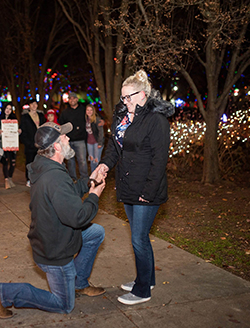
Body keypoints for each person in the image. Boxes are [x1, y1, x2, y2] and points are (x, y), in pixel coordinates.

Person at [0, 122, 107, 319]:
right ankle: (5, 293)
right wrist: (94, 195)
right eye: (64, 137)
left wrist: (89, 183)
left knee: (96, 233)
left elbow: (67, 194)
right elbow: (78, 217)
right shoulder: (53, 177)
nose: (68, 138)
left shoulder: (47, 166)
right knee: (64, 305)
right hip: (55, 252)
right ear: (57, 146)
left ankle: (78, 283)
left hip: (54, 236)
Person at [92, 69, 174, 305]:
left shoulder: (156, 120)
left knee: (138, 239)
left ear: (143, 95)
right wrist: (104, 166)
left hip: (146, 190)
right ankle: (146, 279)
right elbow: (114, 149)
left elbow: (160, 160)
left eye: (129, 97)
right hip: (128, 186)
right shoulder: (122, 117)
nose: (124, 101)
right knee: (140, 238)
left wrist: (147, 193)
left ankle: (142, 291)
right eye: (123, 97)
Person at [58, 92, 88, 180]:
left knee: (82, 161)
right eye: (70, 99)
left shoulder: (83, 110)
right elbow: (61, 124)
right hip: (69, 140)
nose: (72, 100)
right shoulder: (65, 112)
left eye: (73, 98)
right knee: (70, 161)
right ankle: (73, 178)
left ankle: (84, 178)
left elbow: (92, 116)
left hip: (80, 140)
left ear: (77, 99)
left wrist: (100, 121)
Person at [20, 98, 46, 187]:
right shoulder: (25, 117)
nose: (34, 106)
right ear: (29, 106)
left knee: (40, 162)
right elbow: (23, 132)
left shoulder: (41, 115)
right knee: (30, 162)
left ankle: (38, 178)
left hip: (41, 144)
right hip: (30, 144)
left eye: (35, 104)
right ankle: (29, 179)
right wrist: (29, 143)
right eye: (32, 104)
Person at [0, 103, 18, 189]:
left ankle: (10, 178)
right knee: (5, 161)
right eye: (7, 108)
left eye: (10, 109)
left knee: (12, 162)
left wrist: (18, 132)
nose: (8, 110)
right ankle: (6, 180)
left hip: (12, 143)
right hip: (2, 144)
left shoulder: (14, 120)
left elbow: (15, 131)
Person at [85, 104, 104, 173]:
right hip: (89, 142)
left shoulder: (97, 119)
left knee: (97, 160)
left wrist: (100, 143)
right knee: (91, 160)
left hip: (97, 142)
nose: (89, 112)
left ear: (93, 111)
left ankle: (98, 176)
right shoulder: (86, 119)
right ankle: (93, 175)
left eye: (91, 110)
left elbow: (101, 132)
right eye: (88, 110)